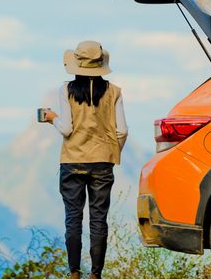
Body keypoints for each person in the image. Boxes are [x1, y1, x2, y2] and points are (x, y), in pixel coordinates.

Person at [45, 40, 128, 279]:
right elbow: (122, 130)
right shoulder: (115, 91)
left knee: (73, 218)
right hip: (103, 162)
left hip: (72, 161)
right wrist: (111, 153)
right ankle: (95, 274)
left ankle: (74, 272)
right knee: (98, 218)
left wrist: (52, 118)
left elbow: (67, 129)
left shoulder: (66, 90)